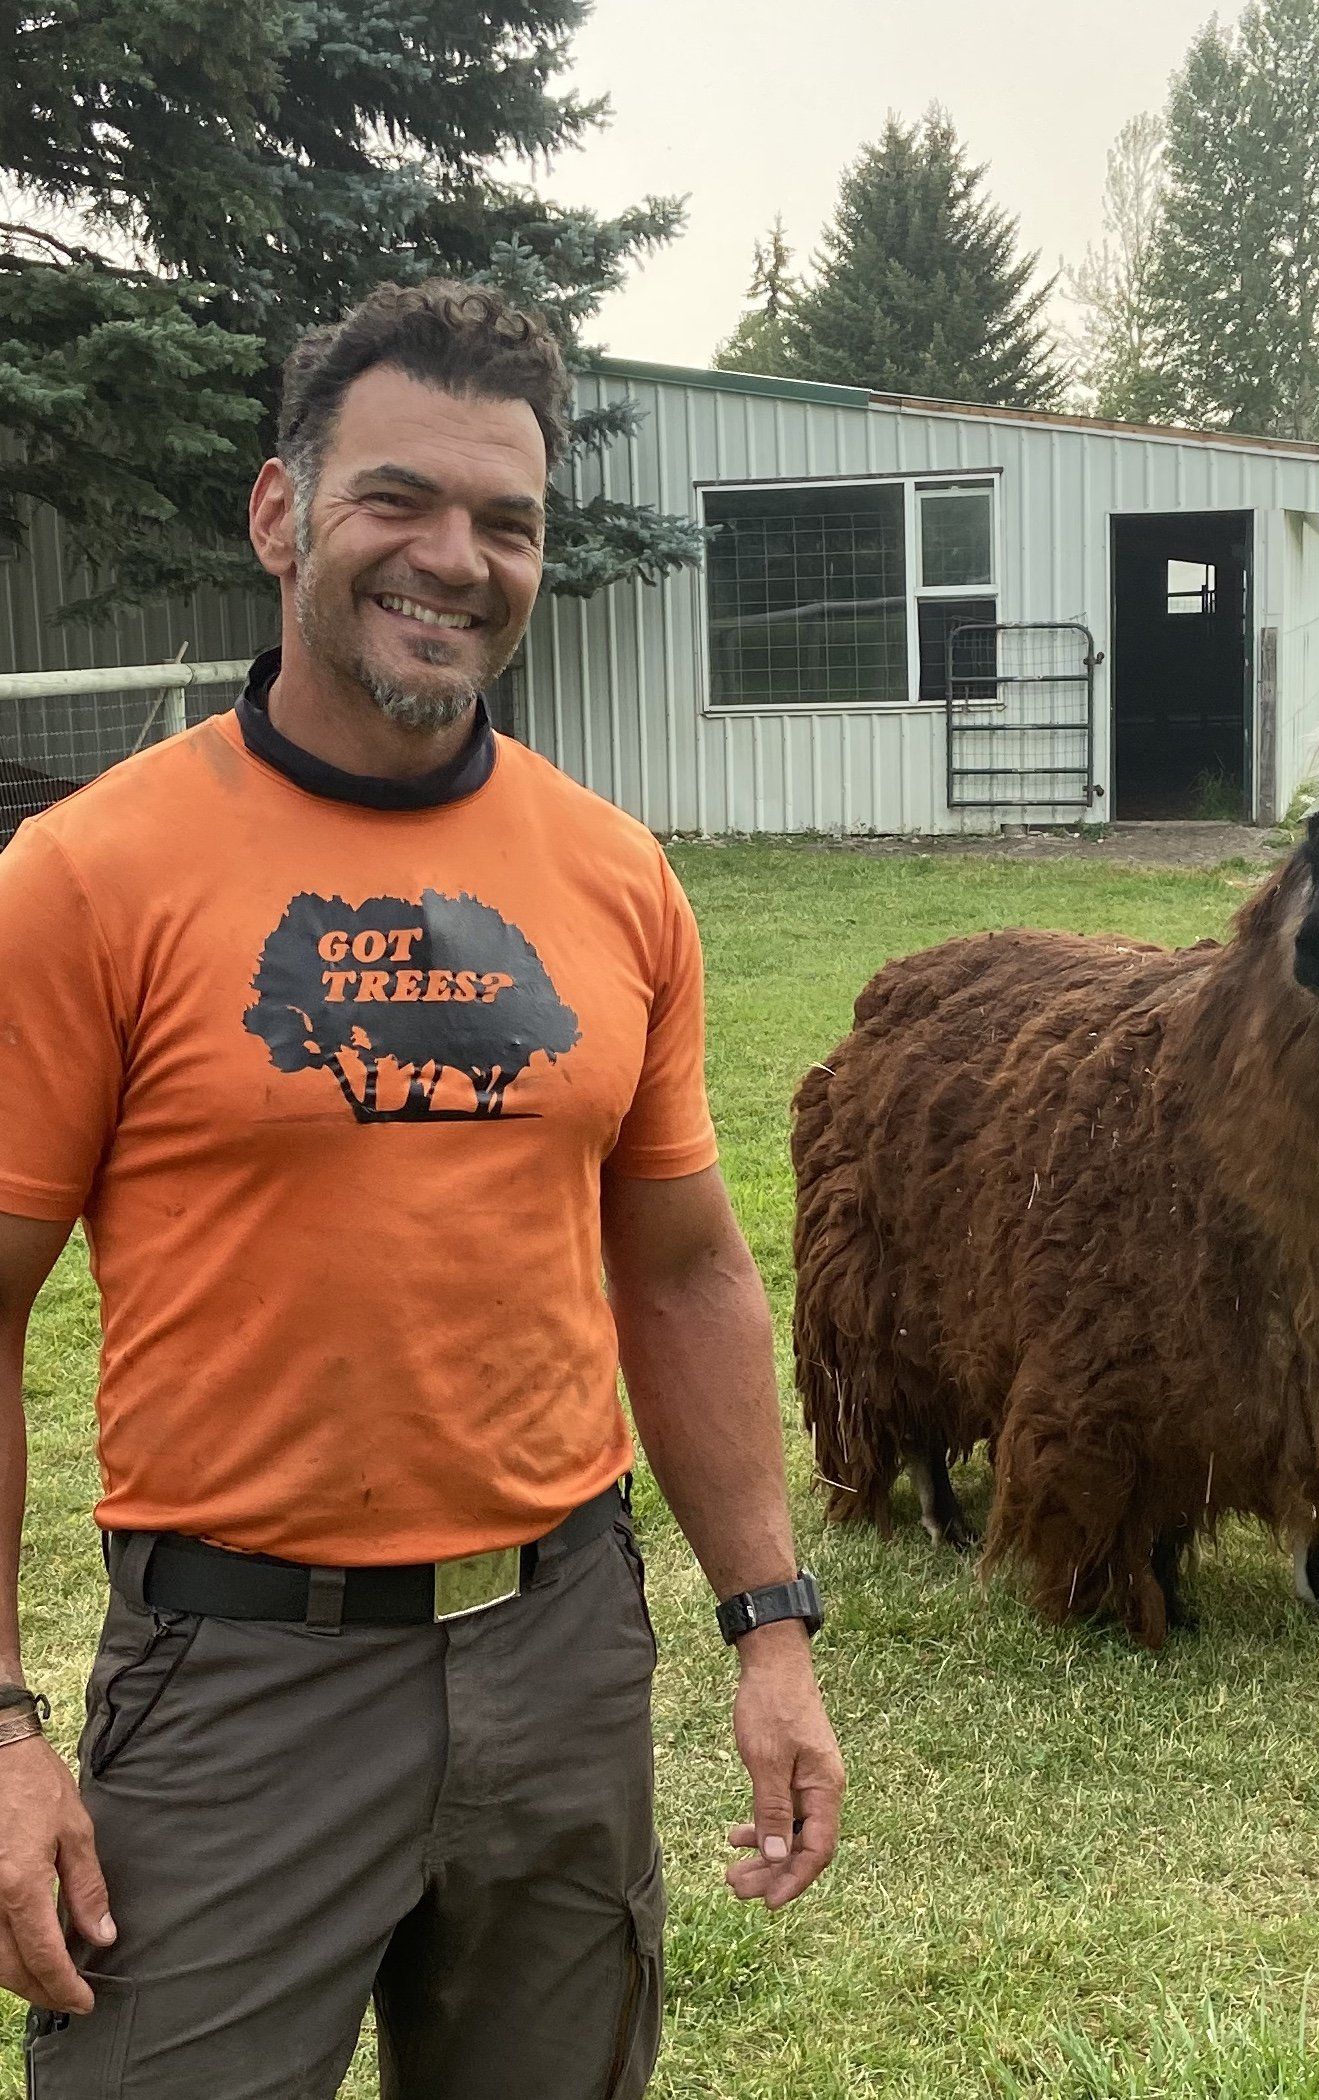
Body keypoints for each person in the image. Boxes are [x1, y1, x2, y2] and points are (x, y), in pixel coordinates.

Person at [0, 279, 845, 2098]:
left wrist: (769, 1633)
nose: (454, 559)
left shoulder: (615, 878)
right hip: (235, 1682)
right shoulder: (86, 879)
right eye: (399, 499)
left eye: (508, 522)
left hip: (561, 1656)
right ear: (281, 511)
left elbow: (687, 1273)